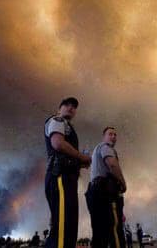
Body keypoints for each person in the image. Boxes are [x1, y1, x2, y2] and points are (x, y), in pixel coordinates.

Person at [44, 97, 91, 248]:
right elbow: (57, 143)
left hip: (66, 178)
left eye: (74, 106)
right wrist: (82, 156)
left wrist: (80, 162)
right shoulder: (58, 120)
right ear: (59, 109)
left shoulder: (67, 127)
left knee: (66, 226)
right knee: (63, 229)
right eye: (66, 105)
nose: (71, 108)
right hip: (61, 176)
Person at [85, 126, 127, 248]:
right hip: (106, 193)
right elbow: (112, 165)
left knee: (99, 232)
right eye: (110, 134)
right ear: (104, 137)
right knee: (114, 229)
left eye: (115, 135)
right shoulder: (105, 147)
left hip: (94, 193)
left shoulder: (96, 150)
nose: (113, 137)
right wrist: (123, 183)